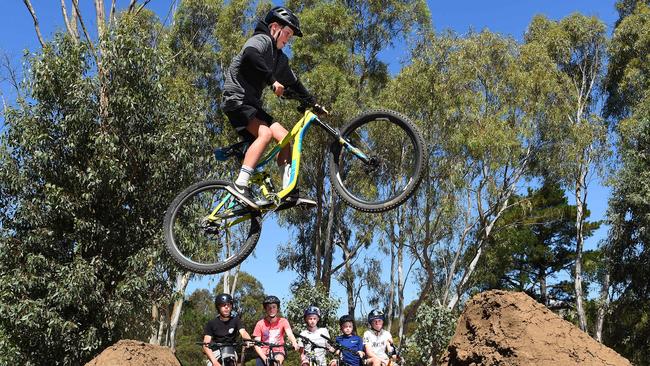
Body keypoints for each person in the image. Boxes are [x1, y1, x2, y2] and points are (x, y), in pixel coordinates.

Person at [221, 5, 321, 209]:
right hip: (236, 99)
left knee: (286, 137)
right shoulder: (262, 39)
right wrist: (272, 81)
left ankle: (287, 191)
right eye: (287, 33)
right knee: (265, 134)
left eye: (291, 36)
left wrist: (312, 102)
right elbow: (250, 55)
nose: (288, 39)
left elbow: (294, 83)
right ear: (274, 27)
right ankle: (241, 184)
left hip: (252, 105)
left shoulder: (279, 59)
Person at [202, 293, 252, 366]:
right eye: (223, 305)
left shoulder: (236, 320)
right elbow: (205, 344)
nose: (226, 307)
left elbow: (243, 332)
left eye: (228, 305)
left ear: (231, 306)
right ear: (218, 307)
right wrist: (214, 362)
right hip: (216, 352)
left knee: (231, 360)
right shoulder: (211, 323)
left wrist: (248, 340)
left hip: (231, 350)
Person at [253, 295, 299, 365]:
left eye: (274, 307)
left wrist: (294, 342)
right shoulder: (260, 323)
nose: (271, 310)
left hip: (278, 350)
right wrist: (265, 358)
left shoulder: (283, 321)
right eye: (269, 307)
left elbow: (289, 334)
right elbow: (257, 343)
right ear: (265, 309)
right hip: (263, 352)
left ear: (277, 308)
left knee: (276, 363)